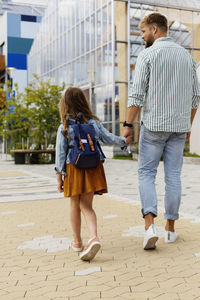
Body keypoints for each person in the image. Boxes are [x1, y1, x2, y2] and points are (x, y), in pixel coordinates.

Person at [123, 13, 200, 250]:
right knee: (173, 176)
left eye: (144, 32)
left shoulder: (148, 54)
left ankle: (149, 228)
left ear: (155, 29)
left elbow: (136, 96)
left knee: (146, 173)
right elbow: (195, 97)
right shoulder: (187, 58)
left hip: (154, 126)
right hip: (178, 127)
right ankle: (170, 229)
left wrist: (127, 126)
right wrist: (187, 125)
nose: (143, 36)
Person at [55, 87, 130, 261]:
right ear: (84, 102)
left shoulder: (64, 126)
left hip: (74, 167)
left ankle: (79, 241)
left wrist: (59, 175)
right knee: (87, 205)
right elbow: (109, 138)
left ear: (65, 104)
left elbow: (60, 153)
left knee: (75, 203)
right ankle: (91, 237)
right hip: (93, 166)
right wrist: (124, 142)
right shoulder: (93, 123)